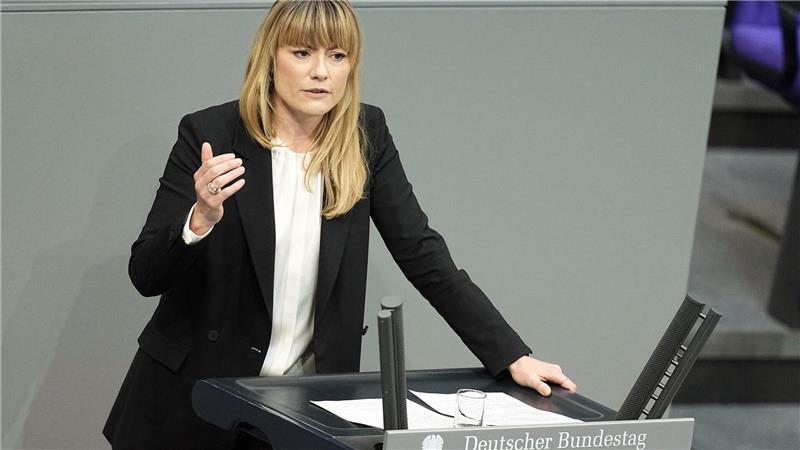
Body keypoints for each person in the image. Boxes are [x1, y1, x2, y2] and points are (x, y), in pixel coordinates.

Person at [103, 1, 576, 449]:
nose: (320, 72)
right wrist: (199, 218)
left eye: (337, 55)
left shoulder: (366, 136)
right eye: (302, 52)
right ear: (270, 57)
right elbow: (145, 274)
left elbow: (424, 254)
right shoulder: (209, 132)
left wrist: (511, 354)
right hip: (194, 405)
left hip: (301, 412)